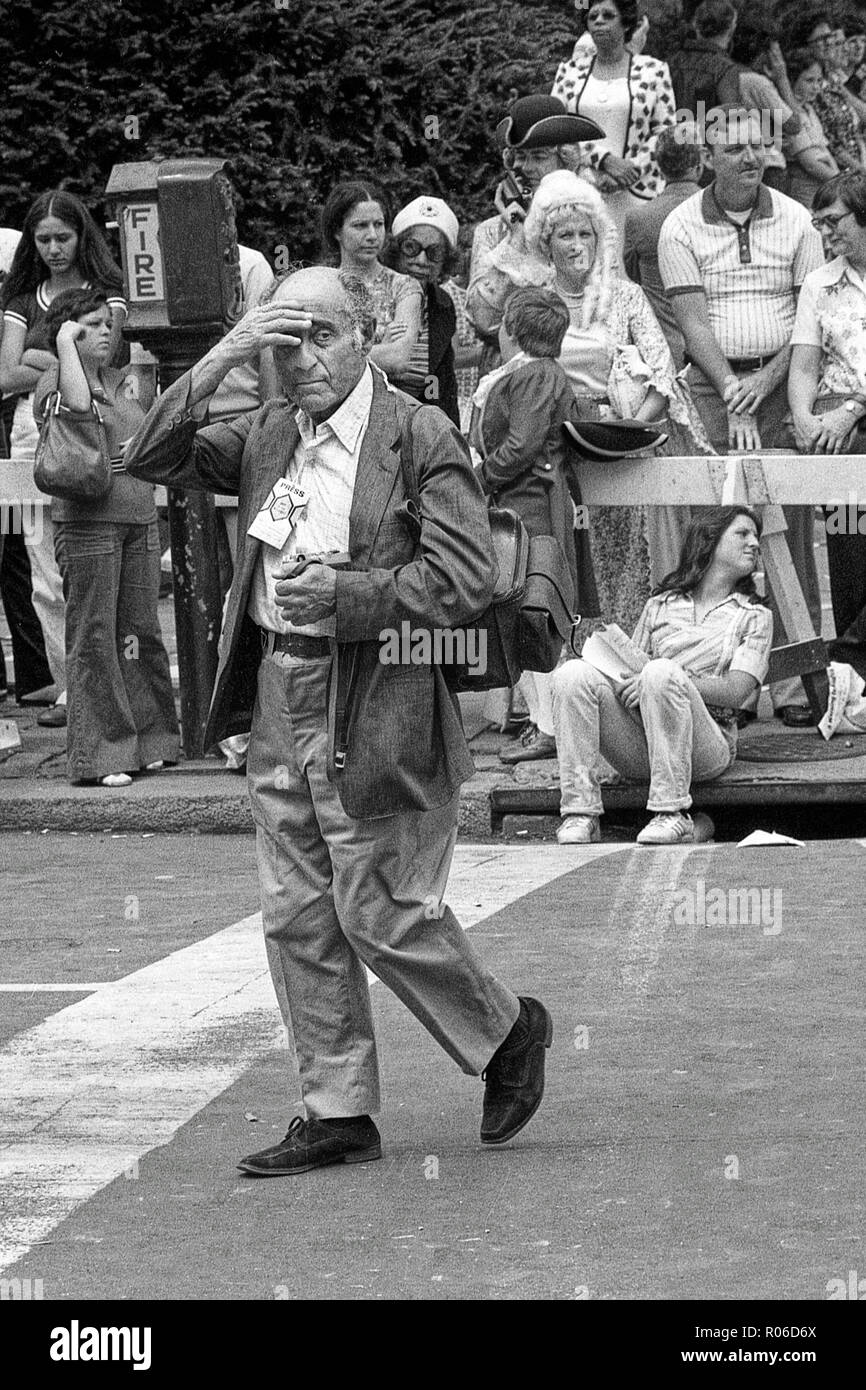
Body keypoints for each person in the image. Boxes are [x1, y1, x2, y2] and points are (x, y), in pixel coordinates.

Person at [123, 265, 552, 1173]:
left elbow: (467, 580)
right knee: (296, 915)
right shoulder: (271, 427)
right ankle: (337, 1110)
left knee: (380, 913)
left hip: (381, 689)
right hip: (281, 692)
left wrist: (348, 597)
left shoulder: (419, 432)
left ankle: (507, 1030)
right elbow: (148, 455)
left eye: (321, 335)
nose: (303, 356)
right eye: (288, 337)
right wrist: (230, 352)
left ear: (365, 338)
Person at [658, 104, 825, 725]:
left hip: (784, 384)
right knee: (721, 538)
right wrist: (732, 388)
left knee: (793, 533)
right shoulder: (679, 225)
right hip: (712, 386)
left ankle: (794, 687)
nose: (750, 159)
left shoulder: (800, 219)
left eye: (758, 147)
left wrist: (767, 382)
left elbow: (809, 317)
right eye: (734, 149)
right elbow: (693, 324)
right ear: (709, 157)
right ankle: (724, 690)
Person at [518, 170, 713, 633]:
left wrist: (635, 429)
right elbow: (517, 375)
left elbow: (662, 367)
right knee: (563, 551)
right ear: (547, 243)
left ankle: (625, 652)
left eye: (586, 233)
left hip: (615, 437)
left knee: (624, 556)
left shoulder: (625, 296)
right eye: (565, 234)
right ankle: (563, 661)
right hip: (553, 440)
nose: (576, 244)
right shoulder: (532, 300)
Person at [551, 505, 772, 844]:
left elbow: (736, 691)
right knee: (572, 675)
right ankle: (580, 813)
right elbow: (633, 667)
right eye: (743, 534)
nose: (754, 543)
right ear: (709, 542)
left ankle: (672, 814)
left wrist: (674, 678)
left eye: (756, 536)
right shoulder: (661, 604)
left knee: (661, 672)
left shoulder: (754, 615)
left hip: (707, 745)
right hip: (645, 742)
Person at [33, 289, 179, 786]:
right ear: (68, 332)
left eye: (105, 324)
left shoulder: (124, 381)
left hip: (138, 516)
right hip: (87, 523)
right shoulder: (55, 381)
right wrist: (63, 345)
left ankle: (152, 737)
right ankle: (103, 753)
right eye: (89, 325)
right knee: (94, 636)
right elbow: (76, 411)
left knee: (138, 632)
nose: (103, 332)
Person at [0, 191, 127, 730]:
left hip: (95, 423)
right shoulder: (25, 293)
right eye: (43, 239)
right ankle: (69, 686)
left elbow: (110, 359)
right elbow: (5, 375)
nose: (52, 248)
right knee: (43, 570)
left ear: (82, 237)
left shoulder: (108, 291)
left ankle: (107, 683)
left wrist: (41, 355)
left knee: (98, 560)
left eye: (63, 237)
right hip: (35, 430)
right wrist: (68, 356)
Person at [472, 287, 599, 765]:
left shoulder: (537, 375)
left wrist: (477, 479)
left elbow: (523, 445)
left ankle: (549, 726)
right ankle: (543, 721)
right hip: (516, 501)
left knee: (534, 610)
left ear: (511, 328)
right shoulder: (524, 373)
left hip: (532, 504)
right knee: (517, 610)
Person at [788, 172, 866, 671]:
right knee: (850, 541)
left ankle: (847, 654)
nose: (825, 234)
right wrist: (803, 419)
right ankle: (855, 676)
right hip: (840, 427)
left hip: (851, 415)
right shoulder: (821, 283)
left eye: (834, 221)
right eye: (819, 223)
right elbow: (804, 366)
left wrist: (851, 411)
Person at [467, 92, 602, 368]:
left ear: (564, 162)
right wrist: (517, 239)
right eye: (520, 157)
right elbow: (482, 321)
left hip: (577, 364)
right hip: (508, 370)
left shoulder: (587, 228)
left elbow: (600, 305)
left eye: (539, 156)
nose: (527, 168)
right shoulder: (492, 233)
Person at [551, 0, 677, 252]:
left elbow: (666, 129)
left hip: (637, 192)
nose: (598, 21)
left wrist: (632, 169)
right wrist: (604, 161)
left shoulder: (654, 70)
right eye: (592, 16)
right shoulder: (569, 72)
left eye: (608, 15)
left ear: (626, 23)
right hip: (581, 189)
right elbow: (558, 127)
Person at [320, 180, 423, 388]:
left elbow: (398, 358)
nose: (373, 236)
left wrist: (333, 355)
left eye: (378, 224)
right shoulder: (321, 286)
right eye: (360, 226)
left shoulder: (403, 287)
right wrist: (379, 349)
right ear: (337, 231)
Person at [623, 124, 705, 368]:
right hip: (721, 347)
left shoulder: (638, 219)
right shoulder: (717, 212)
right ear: (699, 166)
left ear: (659, 167)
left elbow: (634, 275)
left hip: (663, 351)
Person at [386, 196, 460, 427]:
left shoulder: (442, 304)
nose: (421, 260)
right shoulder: (377, 294)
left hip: (421, 425)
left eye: (434, 253)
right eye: (411, 248)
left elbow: (442, 381)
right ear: (396, 251)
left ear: (444, 261)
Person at [730, 21, 802, 193]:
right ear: (765, 53)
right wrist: (782, 77)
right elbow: (794, 124)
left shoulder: (728, 75)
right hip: (769, 167)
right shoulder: (757, 82)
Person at [784, 48, 841, 209]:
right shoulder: (790, 114)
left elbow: (824, 150)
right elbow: (809, 162)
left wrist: (839, 178)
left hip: (824, 183)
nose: (816, 87)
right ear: (793, 79)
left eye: (819, 81)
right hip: (804, 187)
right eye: (809, 81)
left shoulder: (809, 109)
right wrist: (839, 181)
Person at [668, 0, 740, 116]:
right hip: (708, 133)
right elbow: (732, 121)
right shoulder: (726, 69)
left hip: (673, 132)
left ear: (695, 24)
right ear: (731, 28)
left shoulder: (670, 62)